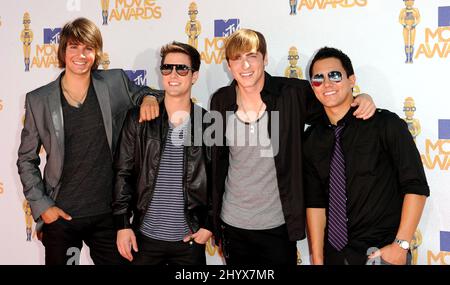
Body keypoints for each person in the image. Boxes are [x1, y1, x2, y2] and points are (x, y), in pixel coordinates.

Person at [209, 29, 376, 265]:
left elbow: (332, 105)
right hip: (232, 225)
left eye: (252, 56)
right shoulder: (221, 100)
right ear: (228, 65)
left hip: (278, 226)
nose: (244, 65)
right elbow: (215, 162)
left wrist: (362, 97)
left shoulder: (292, 93)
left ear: (265, 59)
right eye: (236, 58)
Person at [17, 17, 160, 265]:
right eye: (74, 47)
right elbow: (26, 159)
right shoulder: (38, 100)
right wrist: (43, 206)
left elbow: (151, 93)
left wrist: (148, 97)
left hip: (109, 216)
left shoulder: (114, 83)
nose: (81, 55)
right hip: (62, 218)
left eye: (88, 48)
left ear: (96, 52)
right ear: (63, 51)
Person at [304, 47, 429, 265]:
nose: (327, 84)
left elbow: (415, 186)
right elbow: (315, 203)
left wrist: (401, 246)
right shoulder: (312, 138)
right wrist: (317, 258)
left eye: (335, 75)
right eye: (318, 78)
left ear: (351, 80)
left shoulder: (386, 125)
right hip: (334, 256)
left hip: (381, 253)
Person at [113, 41, 212, 265]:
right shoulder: (137, 119)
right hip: (144, 238)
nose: (173, 74)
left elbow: (218, 179)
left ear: (194, 76)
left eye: (182, 68)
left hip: (190, 240)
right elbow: (122, 173)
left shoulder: (207, 123)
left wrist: (209, 225)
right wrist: (122, 225)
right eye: (167, 68)